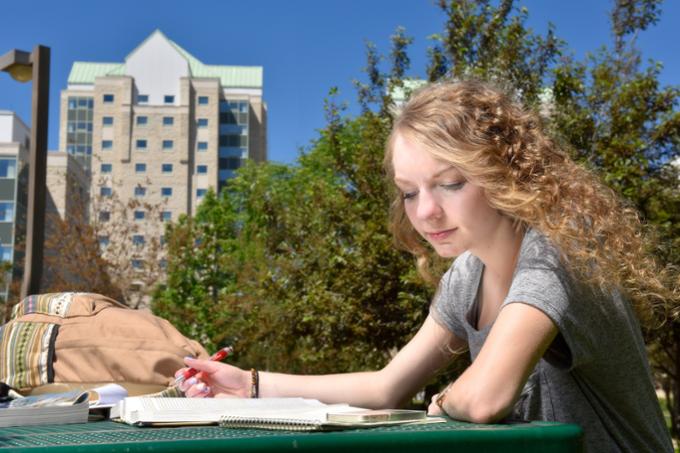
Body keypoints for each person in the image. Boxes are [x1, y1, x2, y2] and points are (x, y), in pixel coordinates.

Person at [178, 80, 675, 452]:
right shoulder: (467, 275)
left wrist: (449, 398)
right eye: (410, 192)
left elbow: (483, 399)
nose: (425, 212)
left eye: (451, 183)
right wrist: (251, 385)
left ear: (503, 174)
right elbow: (386, 386)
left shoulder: (554, 254)